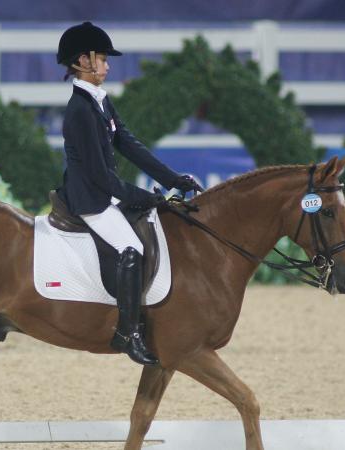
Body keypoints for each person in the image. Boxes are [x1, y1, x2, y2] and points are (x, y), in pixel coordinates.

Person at [56, 22, 202, 365]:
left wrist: (173, 179)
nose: (107, 66)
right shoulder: (79, 110)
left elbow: (130, 145)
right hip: (89, 198)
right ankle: (128, 332)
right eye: (103, 59)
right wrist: (142, 196)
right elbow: (98, 175)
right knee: (131, 247)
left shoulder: (100, 101)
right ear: (83, 61)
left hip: (104, 192)